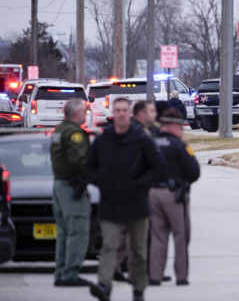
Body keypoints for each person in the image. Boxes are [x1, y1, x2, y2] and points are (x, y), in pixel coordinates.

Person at [87, 97, 164, 301]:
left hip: (137, 203)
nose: (121, 113)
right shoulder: (103, 140)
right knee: (109, 247)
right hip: (110, 204)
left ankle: (139, 289)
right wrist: (99, 180)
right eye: (118, 110)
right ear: (113, 112)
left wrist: (141, 182)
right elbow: (89, 166)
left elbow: (158, 167)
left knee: (138, 251)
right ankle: (104, 286)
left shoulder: (141, 139)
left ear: (129, 113)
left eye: (124, 110)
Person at [149, 108, 200, 286]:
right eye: (180, 126)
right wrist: (183, 182)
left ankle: (154, 275)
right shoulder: (179, 146)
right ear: (171, 125)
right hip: (174, 195)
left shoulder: (151, 143)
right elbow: (194, 171)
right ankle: (181, 276)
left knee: (157, 236)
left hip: (152, 194)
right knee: (181, 235)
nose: (182, 130)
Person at [50, 98, 91, 287]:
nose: (85, 114)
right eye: (84, 111)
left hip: (59, 184)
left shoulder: (59, 130)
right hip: (73, 187)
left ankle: (61, 271)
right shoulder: (75, 133)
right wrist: (90, 174)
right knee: (78, 229)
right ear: (76, 114)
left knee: (63, 232)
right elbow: (78, 159)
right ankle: (70, 272)